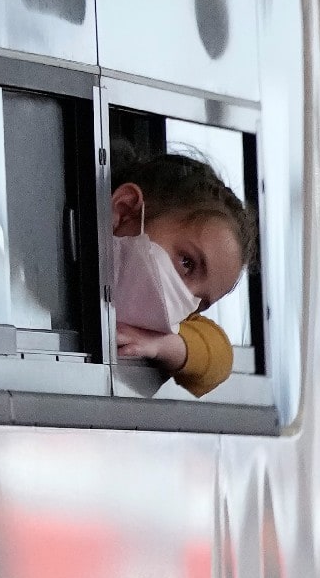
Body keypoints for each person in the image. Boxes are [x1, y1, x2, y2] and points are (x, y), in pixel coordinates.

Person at [110, 143, 258, 397]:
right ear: (125, 211)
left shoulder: (165, 324)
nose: (185, 299)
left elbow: (220, 356)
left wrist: (165, 346)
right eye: (187, 263)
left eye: (200, 304)